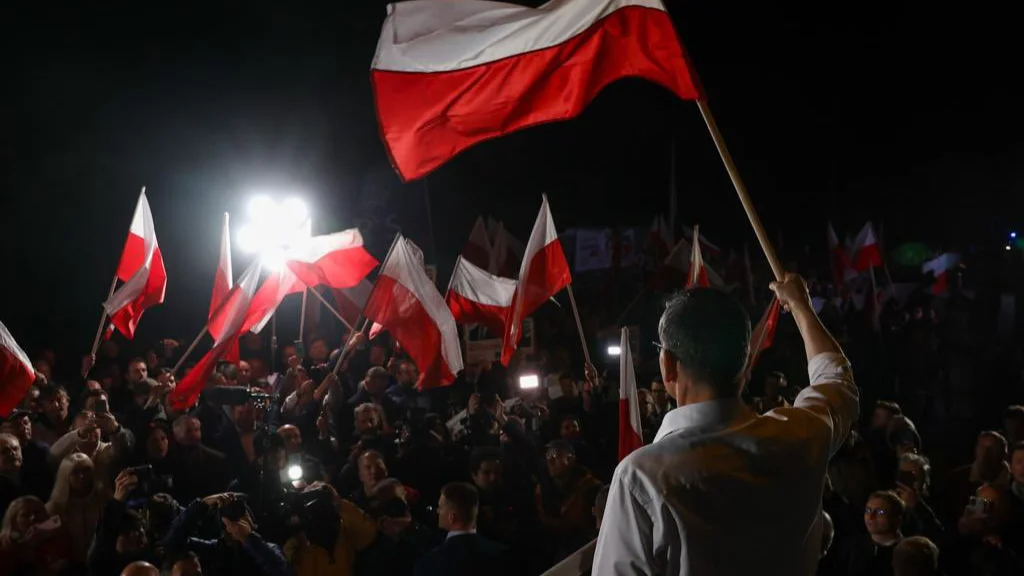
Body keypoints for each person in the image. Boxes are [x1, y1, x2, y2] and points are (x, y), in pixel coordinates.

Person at [593, 274, 858, 575]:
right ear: (746, 366)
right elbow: (837, 382)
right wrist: (800, 306)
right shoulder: (799, 436)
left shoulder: (641, 477)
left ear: (667, 365)